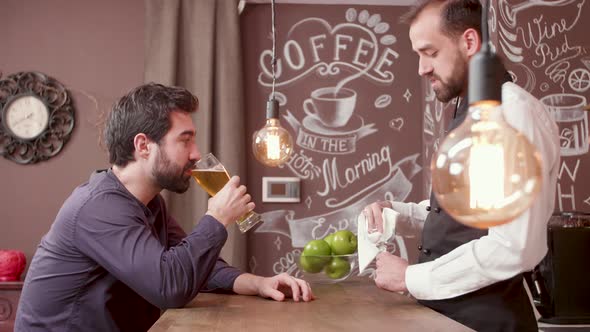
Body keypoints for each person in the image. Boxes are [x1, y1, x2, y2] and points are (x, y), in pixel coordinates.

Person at [15, 83, 314, 331]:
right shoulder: (98, 208)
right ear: (143, 145)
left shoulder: (149, 202)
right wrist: (217, 217)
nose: (196, 153)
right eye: (185, 141)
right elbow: (170, 286)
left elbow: (193, 267)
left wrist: (258, 283)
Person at [362, 0, 560, 331]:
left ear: (469, 43)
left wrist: (410, 277)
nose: (421, 68)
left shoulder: (511, 114)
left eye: (429, 52)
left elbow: (514, 247)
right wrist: (396, 213)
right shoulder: (472, 111)